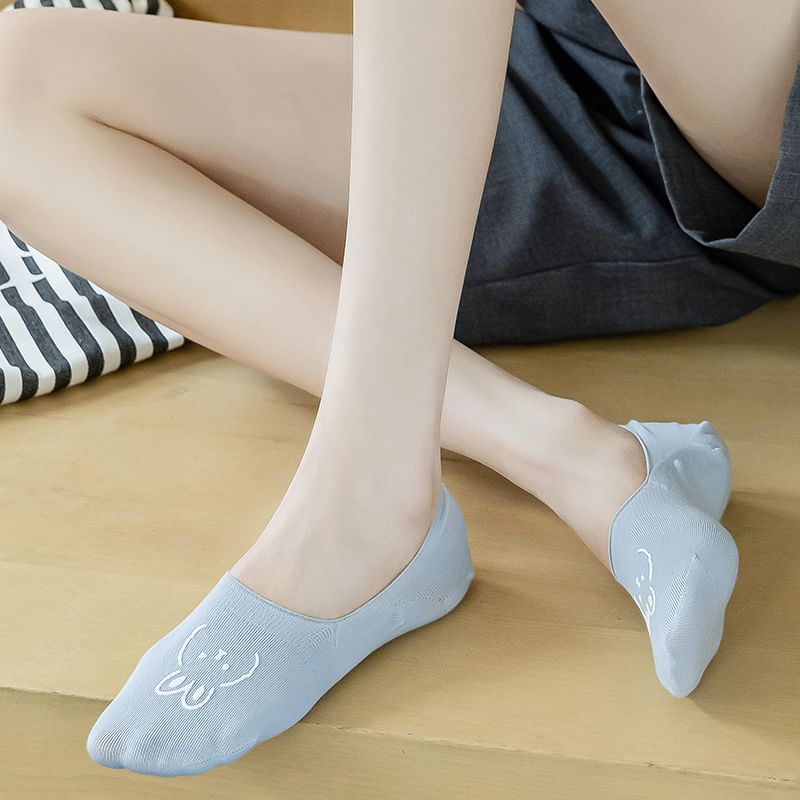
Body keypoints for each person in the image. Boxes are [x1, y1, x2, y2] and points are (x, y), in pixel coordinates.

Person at [0, 0, 797, 777]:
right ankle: (564, 453)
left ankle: (360, 506)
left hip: (759, 110)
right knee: (18, 83)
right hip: (561, 79)